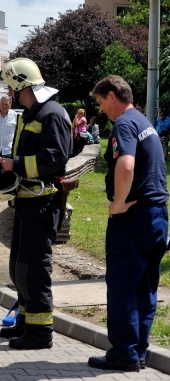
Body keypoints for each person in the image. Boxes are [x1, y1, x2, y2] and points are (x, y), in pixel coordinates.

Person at [88, 76, 168, 372]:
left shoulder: (124, 124)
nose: (103, 109)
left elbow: (126, 165)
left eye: (101, 102)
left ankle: (123, 354)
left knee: (122, 286)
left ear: (112, 96)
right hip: (157, 215)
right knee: (145, 287)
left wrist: (118, 203)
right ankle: (139, 351)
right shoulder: (143, 122)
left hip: (133, 218)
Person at [0, 58, 72, 350]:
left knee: (34, 270)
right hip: (26, 202)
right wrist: (4, 164)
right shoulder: (30, 113)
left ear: (21, 84)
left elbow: (55, 159)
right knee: (18, 268)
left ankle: (41, 334)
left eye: (11, 87)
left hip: (43, 204)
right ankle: (26, 324)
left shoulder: (52, 114)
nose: (9, 94)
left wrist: (17, 165)